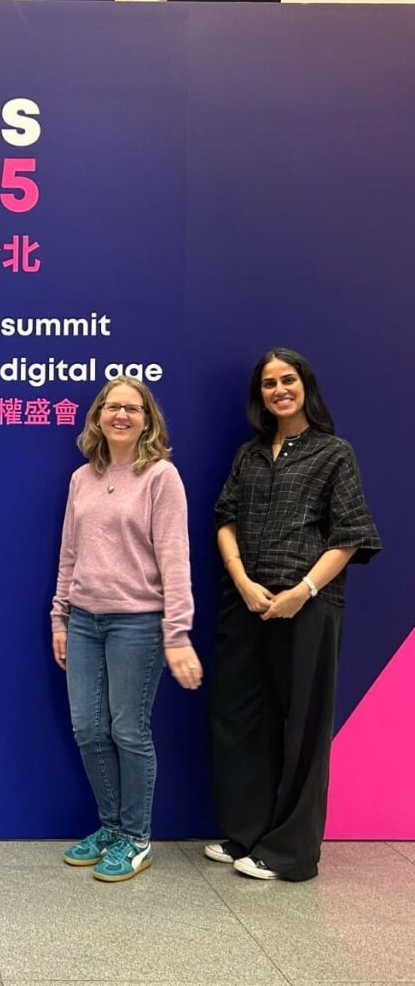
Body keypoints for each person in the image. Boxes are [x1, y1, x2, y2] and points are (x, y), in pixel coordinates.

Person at [206, 348, 380, 882]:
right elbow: (224, 519)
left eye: (287, 380)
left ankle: (290, 853)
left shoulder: (334, 453)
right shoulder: (249, 456)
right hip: (248, 601)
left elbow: (349, 535)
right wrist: (241, 579)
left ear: (305, 385)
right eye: (268, 383)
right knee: (239, 717)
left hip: (308, 604)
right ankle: (247, 833)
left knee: (302, 723)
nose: (279, 390)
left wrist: (302, 590)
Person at [51, 377, 201, 883]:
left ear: (146, 420)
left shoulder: (161, 477)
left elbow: (175, 559)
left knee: (128, 730)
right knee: (88, 729)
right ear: (97, 417)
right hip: (85, 621)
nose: (121, 415)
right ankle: (111, 828)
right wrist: (61, 617)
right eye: (112, 407)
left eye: (132, 408)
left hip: (138, 622)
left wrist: (177, 633)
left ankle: (137, 839)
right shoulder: (81, 479)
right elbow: (69, 554)